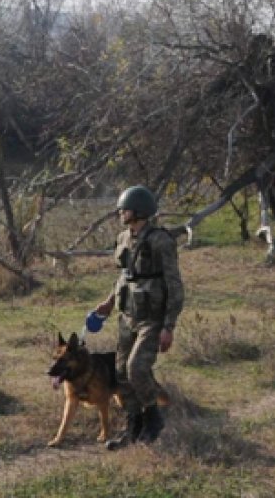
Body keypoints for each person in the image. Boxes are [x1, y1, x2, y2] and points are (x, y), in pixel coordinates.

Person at [92, 186, 184, 449]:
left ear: (140, 211)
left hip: (152, 319)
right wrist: (110, 302)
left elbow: (174, 284)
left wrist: (169, 326)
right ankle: (133, 427)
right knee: (121, 373)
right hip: (127, 314)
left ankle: (153, 419)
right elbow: (125, 275)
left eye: (125, 208)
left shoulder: (160, 241)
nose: (121, 212)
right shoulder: (123, 238)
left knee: (137, 369)